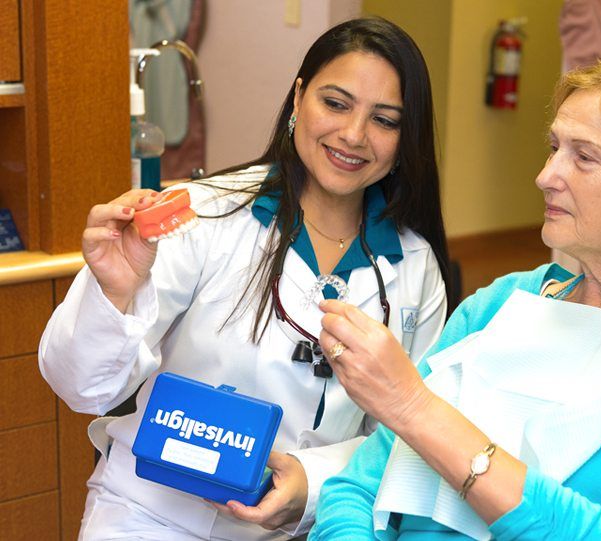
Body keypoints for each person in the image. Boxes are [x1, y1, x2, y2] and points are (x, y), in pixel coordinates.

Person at [311, 60, 601, 540]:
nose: (545, 176)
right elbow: (354, 492)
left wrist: (415, 408)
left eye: (584, 157)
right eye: (555, 148)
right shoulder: (499, 305)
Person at [38, 17, 450, 540]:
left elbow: (408, 434)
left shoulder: (414, 268)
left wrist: (314, 483)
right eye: (336, 103)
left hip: (310, 526)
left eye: (385, 120)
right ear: (299, 99)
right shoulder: (202, 215)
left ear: (404, 139)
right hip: (152, 516)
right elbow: (82, 388)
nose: (354, 135)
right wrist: (113, 295)